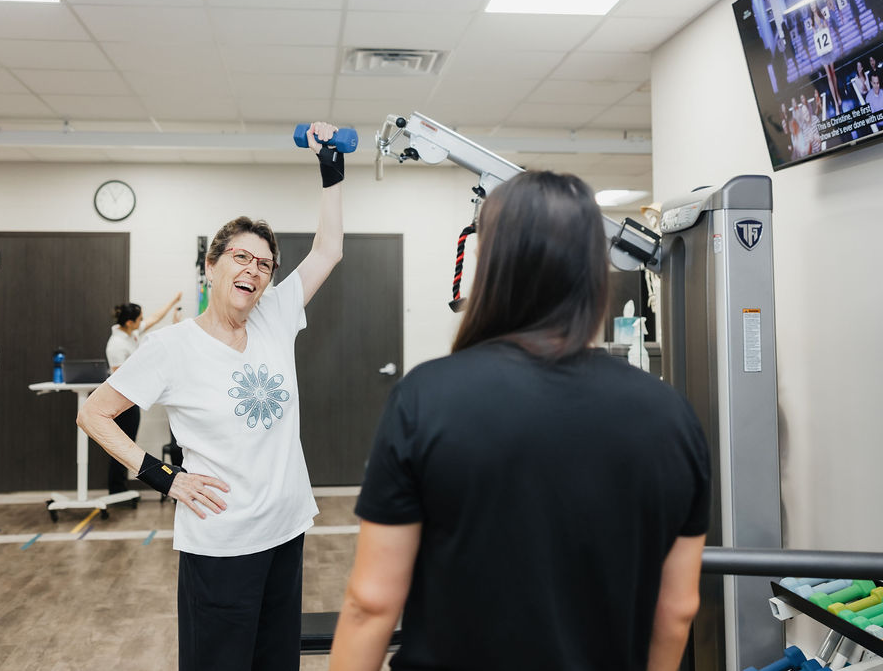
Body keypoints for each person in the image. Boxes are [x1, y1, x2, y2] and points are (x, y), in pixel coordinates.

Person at [329, 171, 710, 671]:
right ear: (592, 270)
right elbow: (677, 610)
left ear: (491, 267)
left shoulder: (425, 398)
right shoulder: (671, 416)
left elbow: (371, 604)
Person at [78, 121, 344, 671]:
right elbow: (94, 413)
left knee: (277, 662)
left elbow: (328, 251)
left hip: (286, 529)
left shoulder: (273, 316)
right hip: (221, 542)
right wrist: (164, 477)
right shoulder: (170, 347)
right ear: (212, 265)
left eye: (265, 264)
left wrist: (330, 167)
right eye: (242, 258)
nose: (255, 270)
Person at [104, 291, 182, 495]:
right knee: (121, 445)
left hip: (132, 403)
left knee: (128, 442)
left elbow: (155, 317)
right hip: (122, 404)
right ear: (129, 322)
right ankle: (116, 490)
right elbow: (120, 379)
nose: (142, 322)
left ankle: (119, 489)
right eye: (139, 319)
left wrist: (173, 300)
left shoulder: (132, 333)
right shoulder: (116, 346)